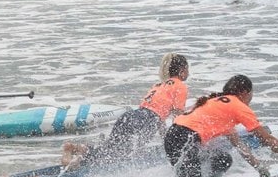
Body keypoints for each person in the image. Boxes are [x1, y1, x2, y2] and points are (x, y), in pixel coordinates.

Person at [162, 74, 278, 177]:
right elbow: (266, 139)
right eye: (251, 94)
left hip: (174, 136)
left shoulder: (218, 104)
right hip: (184, 138)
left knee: (223, 159)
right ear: (245, 93)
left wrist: (258, 167)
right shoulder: (238, 106)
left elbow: (239, 144)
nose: (251, 98)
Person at [61, 52, 190, 169]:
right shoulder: (180, 86)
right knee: (117, 156)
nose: (188, 73)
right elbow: (178, 118)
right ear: (182, 71)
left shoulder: (159, 86)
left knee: (111, 149)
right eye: (187, 70)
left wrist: (164, 140)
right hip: (147, 120)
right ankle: (78, 158)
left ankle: (75, 148)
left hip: (131, 116)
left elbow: (155, 114)